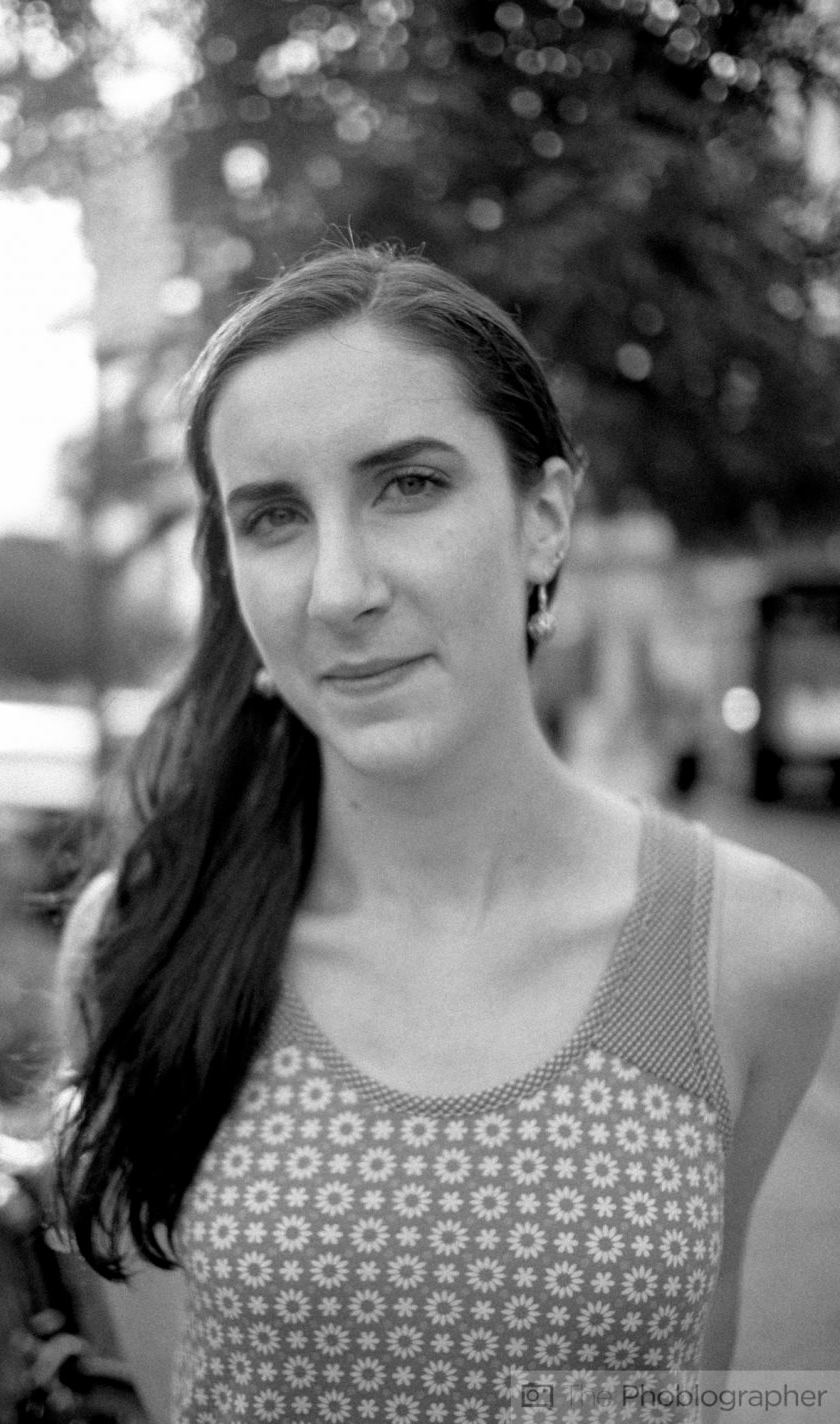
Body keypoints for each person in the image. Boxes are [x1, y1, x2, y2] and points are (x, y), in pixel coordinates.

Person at [56, 245, 840, 1423]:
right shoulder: (143, 946)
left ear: (545, 518)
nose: (339, 590)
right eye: (273, 516)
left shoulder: (751, 944)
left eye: (409, 484)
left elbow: (689, 1377)